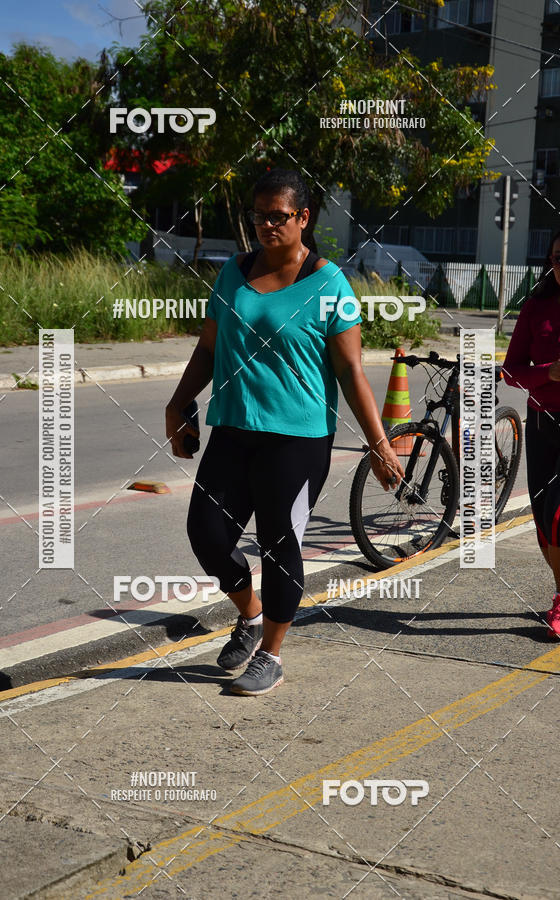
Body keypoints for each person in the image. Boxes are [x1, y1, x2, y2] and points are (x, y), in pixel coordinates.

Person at [165, 168, 404, 695]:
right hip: (232, 428)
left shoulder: (328, 283)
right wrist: (179, 402)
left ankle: (271, 653)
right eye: (259, 216)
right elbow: (208, 349)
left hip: (297, 439)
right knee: (206, 532)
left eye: (279, 216)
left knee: (279, 544)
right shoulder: (233, 272)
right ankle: (250, 615)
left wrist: (379, 443)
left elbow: (350, 371)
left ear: (303, 218)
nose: (267, 225)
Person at [503, 224, 560, 637]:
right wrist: (548, 372)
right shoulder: (535, 310)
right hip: (543, 425)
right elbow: (511, 371)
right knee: (545, 524)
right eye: (559, 257)